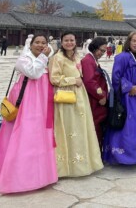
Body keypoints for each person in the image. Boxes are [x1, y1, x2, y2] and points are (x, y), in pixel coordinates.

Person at [0, 34, 57, 193]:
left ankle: (41, 175)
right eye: (37, 43)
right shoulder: (23, 60)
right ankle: (17, 176)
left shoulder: (47, 60)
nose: (40, 45)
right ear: (30, 44)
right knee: (23, 134)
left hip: (41, 102)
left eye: (43, 43)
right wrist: (43, 57)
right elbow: (33, 73)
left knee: (39, 136)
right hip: (25, 100)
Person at [50, 32, 103, 177]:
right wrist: (73, 80)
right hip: (66, 97)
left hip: (80, 96)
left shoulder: (77, 57)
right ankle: (67, 167)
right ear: (61, 42)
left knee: (81, 128)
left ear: (75, 42)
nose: (69, 43)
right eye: (66, 40)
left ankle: (84, 163)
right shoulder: (57, 58)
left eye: (71, 40)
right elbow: (54, 78)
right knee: (69, 129)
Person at [103, 31, 136, 165]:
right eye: (133, 41)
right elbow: (115, 78)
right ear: (129, 42)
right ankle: (121, 155)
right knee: (124, 127)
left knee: (135, 127)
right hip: (125, 98)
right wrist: (129, 88)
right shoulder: (122, 57)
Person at [81, 37, 110, 146]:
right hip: (94, 100)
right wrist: (102, 96)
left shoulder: (93, 60)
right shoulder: (88, 61)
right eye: (101, 50)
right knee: (95, 125)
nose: (102, 53)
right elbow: (89, 82)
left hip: (97, 100)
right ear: (94, 47)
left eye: (104, 51)